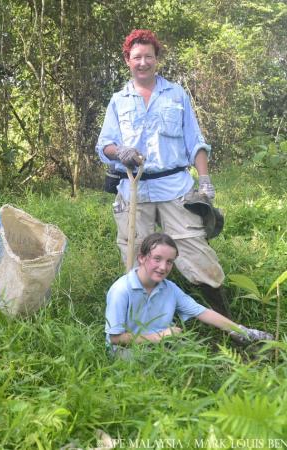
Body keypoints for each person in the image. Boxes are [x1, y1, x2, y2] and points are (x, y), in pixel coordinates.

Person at [96, 29, 231, 316]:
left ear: (157, 59)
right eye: (136, 57)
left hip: (174, 187)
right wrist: (120, 152)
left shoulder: (176, 94)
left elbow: (195, 141)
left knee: (195, 251)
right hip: (133, 188)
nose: (142, 62)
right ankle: (145, 323)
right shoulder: (119, 100)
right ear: (127, 61)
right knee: (135, 257)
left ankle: (227, 324)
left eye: (148, 56)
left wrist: (204, 180)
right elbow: (104, 144)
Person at [105, 233, 272, 352]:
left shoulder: (168, 288)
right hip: (127, 353)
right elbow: (116, 339)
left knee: (200, 362)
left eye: (169, 262)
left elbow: (202, 312)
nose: (163, 267)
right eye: (157, 259)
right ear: (141, 258)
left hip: (161, 347)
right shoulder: (121, 290)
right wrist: (159, 336)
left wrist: (242, 331)